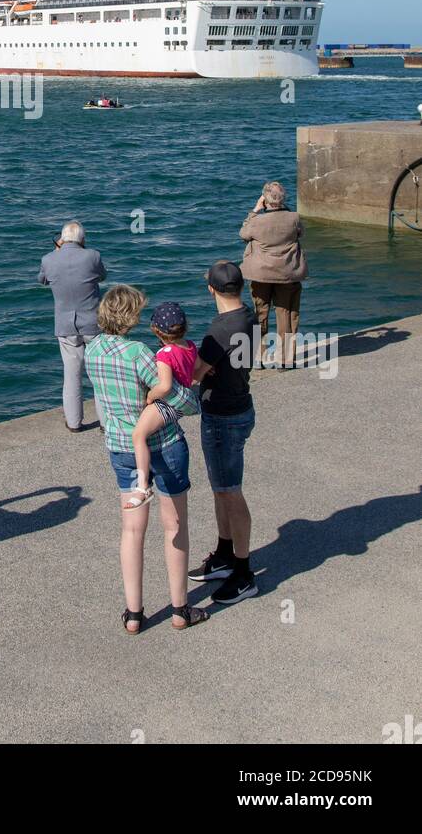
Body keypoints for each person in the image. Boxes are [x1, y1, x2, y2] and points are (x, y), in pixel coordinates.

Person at [85, 285, 210, 633]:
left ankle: (135, 614)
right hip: (165, 444)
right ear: (130, 317)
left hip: (121, 446)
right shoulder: (139, 352)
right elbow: (170, 392)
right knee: (174, 526)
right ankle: (180, 610)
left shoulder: (91, 351)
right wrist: (192, 397)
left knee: (131, 530)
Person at [189, 260, 258, 606]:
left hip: (223, 418)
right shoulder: (248, 315)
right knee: (221, 490)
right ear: (240, 288)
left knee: (230, 492)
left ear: (211, 290)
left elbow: (195, 374)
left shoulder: (219, 331)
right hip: (239, 405)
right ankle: (225, 553)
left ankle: (244, 573)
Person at [127, 301, 197, 509]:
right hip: (179, 402)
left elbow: (165, 386)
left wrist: (150, 396)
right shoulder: (190, 346)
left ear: (156, 330)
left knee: (138, 435)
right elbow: (198, 369)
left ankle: (142, 486)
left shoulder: (164, 354)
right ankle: (143, 485)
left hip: (165, 404)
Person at [38, 221, 106, 431]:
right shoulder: (93, 255)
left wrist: (55, 250)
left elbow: (42, 280)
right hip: (93, 323)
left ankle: (74, 423)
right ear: (82, 239)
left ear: (62, 239)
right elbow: (102, 276)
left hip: (66, 325)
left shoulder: (48, 259)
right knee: (100, 374)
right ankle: (106, 422)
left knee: (71, 374)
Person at [239, 181, 308, 369]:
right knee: (286, 313)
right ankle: (285, 359)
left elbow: (243, 234)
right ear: (284, 199)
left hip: (261, 274)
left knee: (260, 313)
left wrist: (255, 209)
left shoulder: (257, 221)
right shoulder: (293, 217)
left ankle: (259, 357)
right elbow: (300, 233)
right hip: (288, 273)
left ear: (264, 199)